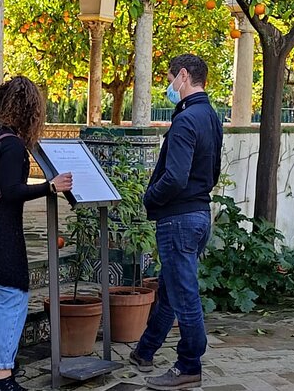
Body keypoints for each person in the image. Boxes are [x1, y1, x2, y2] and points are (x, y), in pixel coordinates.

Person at [0, 76, 72, 391]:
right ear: (29, 110)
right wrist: (49, 187)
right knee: (13, 298)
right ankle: (2, 378)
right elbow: (11, 191)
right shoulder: (11, 144)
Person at [129, 54, 223, 391]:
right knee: (170, 289)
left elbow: (175, 177)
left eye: (169, 77)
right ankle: (145, 350)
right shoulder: (210, 116)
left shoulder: (186, 120)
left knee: (184, 295)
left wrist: (149, 197)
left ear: (183, 76)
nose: (168, 85)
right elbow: (211, 172)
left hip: (179, 218)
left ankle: (189, 365)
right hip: (198, 214)